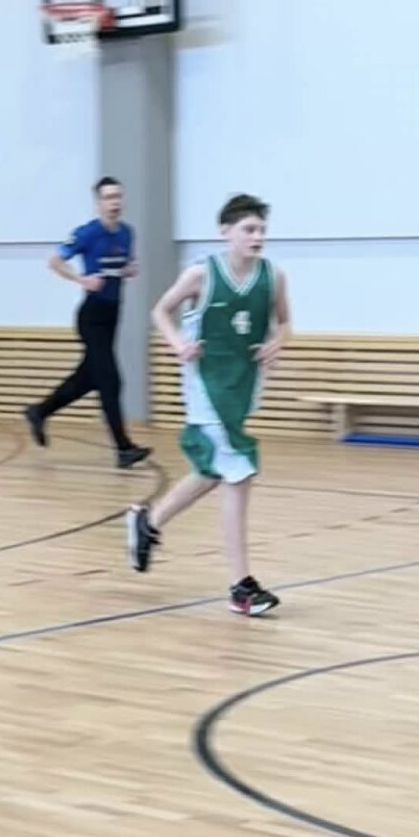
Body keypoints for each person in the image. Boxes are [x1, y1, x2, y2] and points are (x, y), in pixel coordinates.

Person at [125, 193, 290, 615]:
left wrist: (278, 341)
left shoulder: (273, 276)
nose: (257, 237)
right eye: (249, 229)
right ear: (225, 232)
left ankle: (148, 522)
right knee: (240, 469)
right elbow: (160, 310)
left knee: (212, 472)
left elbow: (285, 321)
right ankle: (241, 586)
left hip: (242, 384)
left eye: (262, 230)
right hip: (205, 385)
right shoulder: (202, 274)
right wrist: (178, 342)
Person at [23, 176, 150, 468]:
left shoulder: (127, 233)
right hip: (91, 316)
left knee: (88, 378)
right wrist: (81, 279)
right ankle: (123, 448)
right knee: (111, 380)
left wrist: (129, 269)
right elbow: (55, 261)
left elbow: (123, 265)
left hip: (113, 314)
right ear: (98, 203)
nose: (114, 202)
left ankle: (39, 411)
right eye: (108, 197)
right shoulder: (87, 233)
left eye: (118, 196)